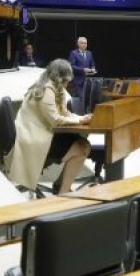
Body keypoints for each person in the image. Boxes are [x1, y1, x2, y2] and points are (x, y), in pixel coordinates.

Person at [7, 59, 93, 194]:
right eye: (65, 81)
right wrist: (79, 121)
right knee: (82, 147)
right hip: (33, 140)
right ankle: (64, 192)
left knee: (82, 144)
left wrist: (81, 118)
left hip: (39, 134)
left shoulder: (51, 87)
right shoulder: (46, 90)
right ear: (58, 77)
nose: (66, 84)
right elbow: (55, 120)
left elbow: (64, 113)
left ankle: (61, 186)